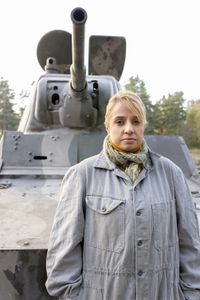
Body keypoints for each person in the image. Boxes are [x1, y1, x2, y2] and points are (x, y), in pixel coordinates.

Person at [45, 90, 200, 300]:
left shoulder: (170, 173)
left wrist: (190, 295)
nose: (129, 129)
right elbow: (63, 253)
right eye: (120, 121)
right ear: (107, 125)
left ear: (143, 125)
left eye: (135, 121)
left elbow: (190, 242)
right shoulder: (83, 176)